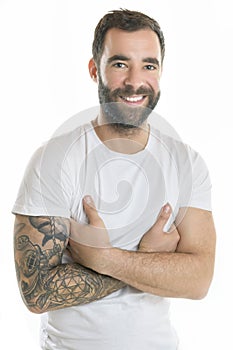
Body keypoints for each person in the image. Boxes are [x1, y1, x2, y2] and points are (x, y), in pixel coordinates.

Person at [12, 8, 216, 350]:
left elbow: (199, 280)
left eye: (148, 65)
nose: (135, 81)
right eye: (120, 64)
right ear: (95, 70)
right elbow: (36, 292)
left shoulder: (187, 163)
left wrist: (105, 258)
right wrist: (150, 260)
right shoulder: (54, 160)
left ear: (161, 72)